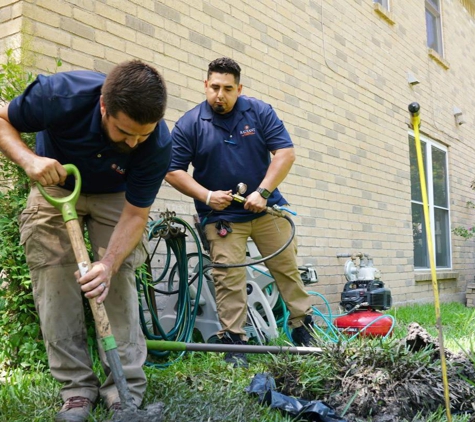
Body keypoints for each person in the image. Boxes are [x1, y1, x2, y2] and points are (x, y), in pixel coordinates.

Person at [0, 60, 171, 421]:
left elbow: (136, 214)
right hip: (55, 187)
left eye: (142, 134)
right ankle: (76, 391)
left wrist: (108, 263)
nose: (133, 142)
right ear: (104, 106)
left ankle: (124, 393)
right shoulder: (61, 95)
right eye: (125, 132)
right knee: (55, 284)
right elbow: (2, 119)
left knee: (117, 283)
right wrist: (29, 160)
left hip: (116, 196)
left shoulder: (156, 143)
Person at [166, 57, 314, 368]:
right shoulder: (190, 123)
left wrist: (263, 192)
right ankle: (234, 343)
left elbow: (285, 153)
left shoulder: (259, 111)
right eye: (215, 87)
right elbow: (173, 170)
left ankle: (304, 330)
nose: (220, 94)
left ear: (239, 89)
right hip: (222, 218)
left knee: (287, 269)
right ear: (205, 85)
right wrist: (206, 195)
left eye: (228, 89)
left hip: (265, 210)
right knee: (228, 277)